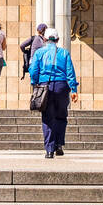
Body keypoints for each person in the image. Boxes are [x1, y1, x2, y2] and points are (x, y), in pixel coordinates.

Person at [27, 27, 78, 159]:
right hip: (62, 86)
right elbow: (70, 72)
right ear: (57, 40)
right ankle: (59, 145)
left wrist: (35, 83)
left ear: (44, 39)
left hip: (45, 87)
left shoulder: (39, 53)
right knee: (61, 116)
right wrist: (74, 89)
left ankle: (49, 150)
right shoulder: (64, 53)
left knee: (47, 118)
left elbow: (33, 70)